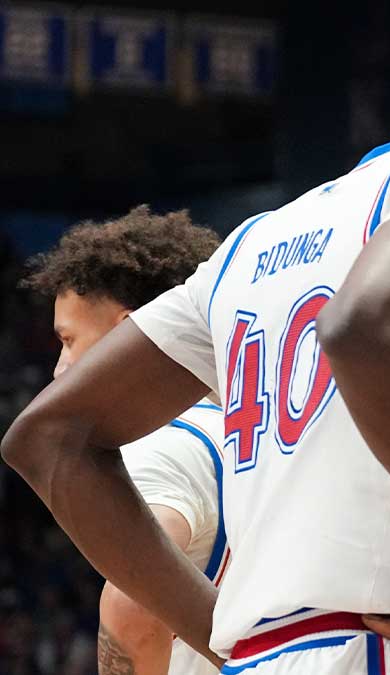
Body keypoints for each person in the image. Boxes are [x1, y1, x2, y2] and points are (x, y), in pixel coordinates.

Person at [2, 15, 390, 675]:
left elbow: (47, 437)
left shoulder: (254, 240)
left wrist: (224, 640)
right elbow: (363, 328)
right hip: (375, 649)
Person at [20, 206, 226, 675]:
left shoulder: (163, 443)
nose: (59, 368)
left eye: (68, 340)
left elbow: (132, 608)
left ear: (125, 334)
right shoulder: (250, 425)